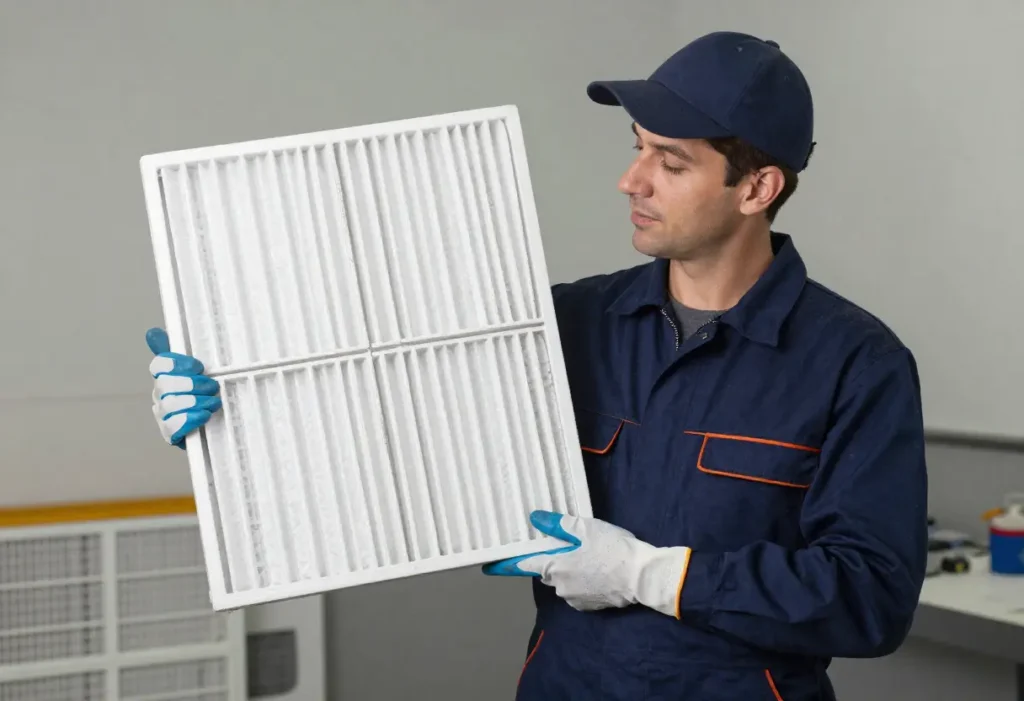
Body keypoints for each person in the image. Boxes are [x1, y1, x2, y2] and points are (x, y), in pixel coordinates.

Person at [146, 31, 928, 701]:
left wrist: (647, 573)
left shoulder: (857, 364)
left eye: (671, 161)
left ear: (758, 186)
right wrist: (236, 422)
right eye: (635, 149)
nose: (633, 180)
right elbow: (406, 453)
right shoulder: (564, 323)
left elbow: (870, 599)